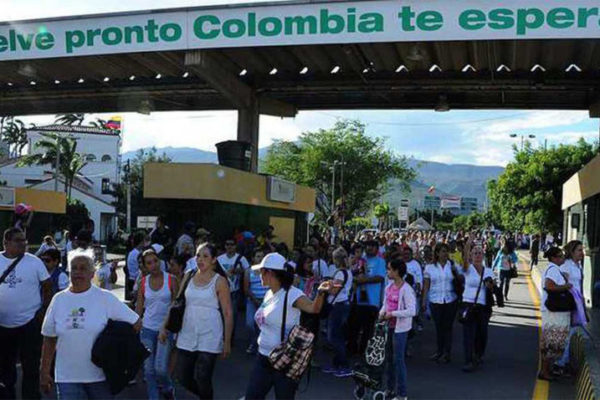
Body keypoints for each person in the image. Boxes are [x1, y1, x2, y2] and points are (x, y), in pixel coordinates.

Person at [40, 250, 141, 399]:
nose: (78, 272)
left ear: (92, 273)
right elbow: (49, 338)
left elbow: (136, 323)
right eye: (74, 268)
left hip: (100, 379)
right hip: (67, 378)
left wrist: (114, 350)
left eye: (83, 268)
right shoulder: (59, 300)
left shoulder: (105, 298)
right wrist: (44, 371)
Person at [244, 253, 333, 400]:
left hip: (284, 361)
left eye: (261, 271)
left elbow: (313, 308)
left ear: (270, 272)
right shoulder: (269, 294)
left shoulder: (292, 294)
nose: (258, 275)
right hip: (263, 357)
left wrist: (321, 292)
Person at [174, 243, 233, 400]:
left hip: (210, 334)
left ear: (214, 260)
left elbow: (227, 312)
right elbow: (177, 302)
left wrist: (227, 342)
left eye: (205, 256)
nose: (200, 259)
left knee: (202, 377)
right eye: (198, 255)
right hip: (187, 332)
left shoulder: (220, 281)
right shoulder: (188, 275)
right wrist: (164, 327)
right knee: (182, 376)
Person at [0, 228, 52, 400]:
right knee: (5, 368)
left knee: (30, 368)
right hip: (3, 325)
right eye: (18, 241)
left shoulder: (34, 262)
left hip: (29, 323)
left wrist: (43, 311)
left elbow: (47, 286)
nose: (23, 244)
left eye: (24, 240)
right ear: (6, 243)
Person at [136, 249, 179, 400]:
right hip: (147, 328)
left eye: (155, 261)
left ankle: (168, 388)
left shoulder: (171, 279)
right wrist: (135, 325)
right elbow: (139, 307)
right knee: (148, 370)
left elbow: (176, 305)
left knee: (160, 368)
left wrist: (170, 328)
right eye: (149, 263)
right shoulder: (143, 283)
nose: (154, 265)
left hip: (165, 329)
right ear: (144, 266)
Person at [380, 259, 416, 400]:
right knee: (388, 359)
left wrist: (393, 314)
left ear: (396, 271)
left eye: (389, 269)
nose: (387, 271)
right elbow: (385, 304)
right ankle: (390, 389)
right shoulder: (389, 287)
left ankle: (402, 393)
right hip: (388, 327)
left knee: (398, 360)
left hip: (400, 329)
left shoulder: (407, 289)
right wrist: (382, 314)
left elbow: (412, 311)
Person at [458, 237, 494, 372]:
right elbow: (464, 257)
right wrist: (468, 244)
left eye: (480, 253)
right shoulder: (467, 269)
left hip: (483, 307)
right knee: (468, 334)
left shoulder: (488, 271)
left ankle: (478, 354)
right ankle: (468, 360)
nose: (478, 255)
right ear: (471, 256)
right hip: (468, 304)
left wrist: (490, 285)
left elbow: (492, 287)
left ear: (483, 256)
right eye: (475, 253)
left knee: (482, 334)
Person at [348, 240, 386, 355]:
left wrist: (365, 280)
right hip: (357, 299)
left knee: (368, 329)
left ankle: (364, 352)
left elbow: (380, 277)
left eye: (372, 247)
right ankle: (352, 350)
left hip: (372, 301)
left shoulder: (380, 261)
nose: (369, 248)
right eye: (368, 246)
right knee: (353, 327)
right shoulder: (360, 259)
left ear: (377, 249)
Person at [422, 243, 459, 363]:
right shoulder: (429, 268)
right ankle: (439, 351)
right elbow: (426, 286)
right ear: (437, 253)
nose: (445, 254)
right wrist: (424, 301)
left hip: (450, 299)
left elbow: (461, 279)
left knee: (447, 327)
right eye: (443, 251)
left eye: (446, 251)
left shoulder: (452, 265)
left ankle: (447, 352)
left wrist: (456, 273)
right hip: (435, 300)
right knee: (439, 327)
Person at [538, 247, 571, 381]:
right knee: (552, 342)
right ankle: (544, 370)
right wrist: (565, 286)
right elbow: (549, 286)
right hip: (553, 312)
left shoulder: (554, 269)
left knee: (553, 341)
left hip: (554, 311)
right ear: (553, 258)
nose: (562, 258)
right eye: (560, 256)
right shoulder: (553, 270)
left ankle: (547, 369)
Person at [555, 240, 585, 374]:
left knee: (570, 332)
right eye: (579, 250)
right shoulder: (566, 266)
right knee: (566, 333)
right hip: (568, 304)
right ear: (572, 252)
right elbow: (562, 285)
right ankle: (559, 363)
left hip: (576, 303)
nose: (582, 253)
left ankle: (563, 361)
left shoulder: (578, 266)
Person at [322, 247, 353, 378]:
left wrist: (325, 286)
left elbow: (334, 291)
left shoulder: (340, 273)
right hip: (343, 304)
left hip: (338, 306)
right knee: (337, 335)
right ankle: (337, 363)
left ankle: (344, 365)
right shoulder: (349, 272)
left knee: (333, 336)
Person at [217, 238, 250, 340]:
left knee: (233, 315)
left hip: (234, 291)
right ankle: (222, 336)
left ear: (235, 246)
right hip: (221, 290)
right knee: (221, 314)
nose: (229, 246)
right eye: (227, 244)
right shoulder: (219, 258)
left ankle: (230, 337)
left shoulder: (241, 259)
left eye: (232, 244)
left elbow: (248, 271)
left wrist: (238, 271)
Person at [244, 249, 268, 355]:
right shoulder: (248, 271)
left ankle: (258, 345)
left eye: (262, 256)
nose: (260, 259)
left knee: (264, 325)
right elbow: (246, 288)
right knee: (249, 323)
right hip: (252, 300)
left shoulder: (268, 271)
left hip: (266, 301)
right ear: (253, 258)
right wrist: (254, 300)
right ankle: (254, 341)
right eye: (258, 256)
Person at [126, 231, 146, 301]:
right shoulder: (137, 254)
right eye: (144, 241)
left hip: (132, 279)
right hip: (135, 280)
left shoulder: (132, 252)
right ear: (141, 242)